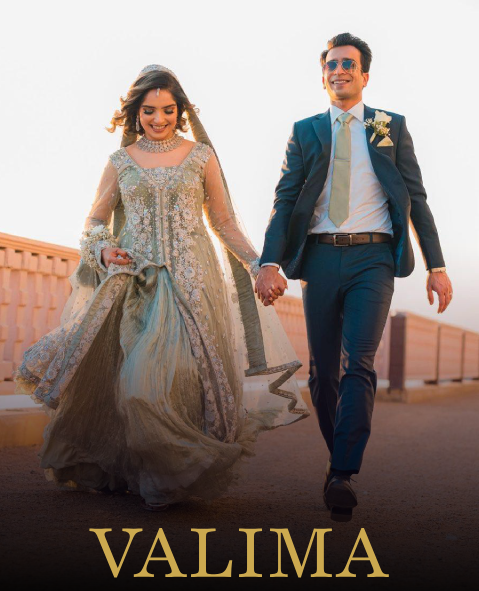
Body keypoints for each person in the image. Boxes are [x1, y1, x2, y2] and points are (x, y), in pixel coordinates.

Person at [15, 65, 308, 510]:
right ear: (135, 112)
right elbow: (94, 221)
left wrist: (258, 266)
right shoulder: (120, 162)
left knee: (177, 381)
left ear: (181, 111)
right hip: (136, 285)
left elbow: (224, 222)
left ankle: (169, 476)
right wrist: (103, 250)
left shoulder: (200, 156)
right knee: (136, 386)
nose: (159, 119)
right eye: (149, 110)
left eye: (168, 110)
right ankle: (152, 472)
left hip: (193, 284)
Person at [255, 33, 453, 522]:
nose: (339, 70)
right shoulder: (305, 131)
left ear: (365, 75)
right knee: (323, 373)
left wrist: (437, 266)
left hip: (374, 258)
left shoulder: (389, 126)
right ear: (323, 75)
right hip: (320, 258)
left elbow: (417, 198)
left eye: (348, 64)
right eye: (331, 64)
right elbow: (284, 199)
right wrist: (269, 262)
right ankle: (337, 458)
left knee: (359, 363)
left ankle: (343, 472)